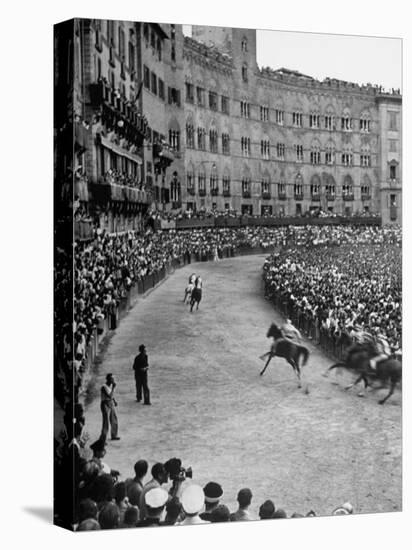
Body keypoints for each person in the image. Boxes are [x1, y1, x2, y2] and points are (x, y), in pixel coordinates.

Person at [100, 373, 120, 441]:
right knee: (106, 422)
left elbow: (112, 396)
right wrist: (114, 387)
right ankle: (103, 438)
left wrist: (114, 401)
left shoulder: (110, 385)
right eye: (112, 379)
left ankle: (114, 435)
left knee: (114, 419)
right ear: (108, 379)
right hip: (105, 403)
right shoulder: (104, 387)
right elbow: (110, 395)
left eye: (113, 379)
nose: (113, 380)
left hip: (110, 402)